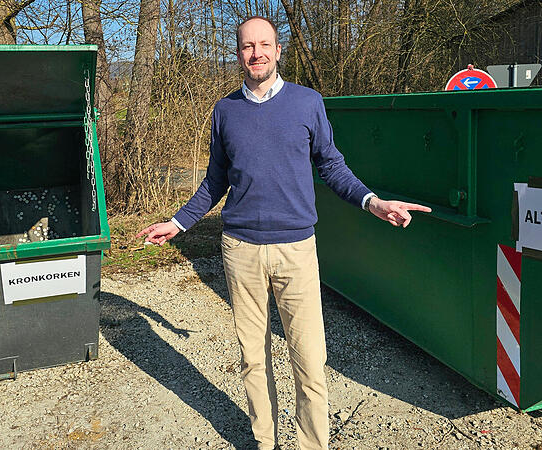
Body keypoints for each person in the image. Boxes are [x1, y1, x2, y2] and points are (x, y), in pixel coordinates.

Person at [137, 16, 432, 450]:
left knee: (310, 362)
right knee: (253, 360)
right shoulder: (224, 111)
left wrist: (373, 201)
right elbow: (216, 180)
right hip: (241, 251)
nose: (255, 53)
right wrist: (179, 222)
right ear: (238, 54)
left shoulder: (307, 102)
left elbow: (332, 165)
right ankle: (265, 441)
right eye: (246, 46)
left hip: (296, 249)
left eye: (264, 44)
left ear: (278, 50)